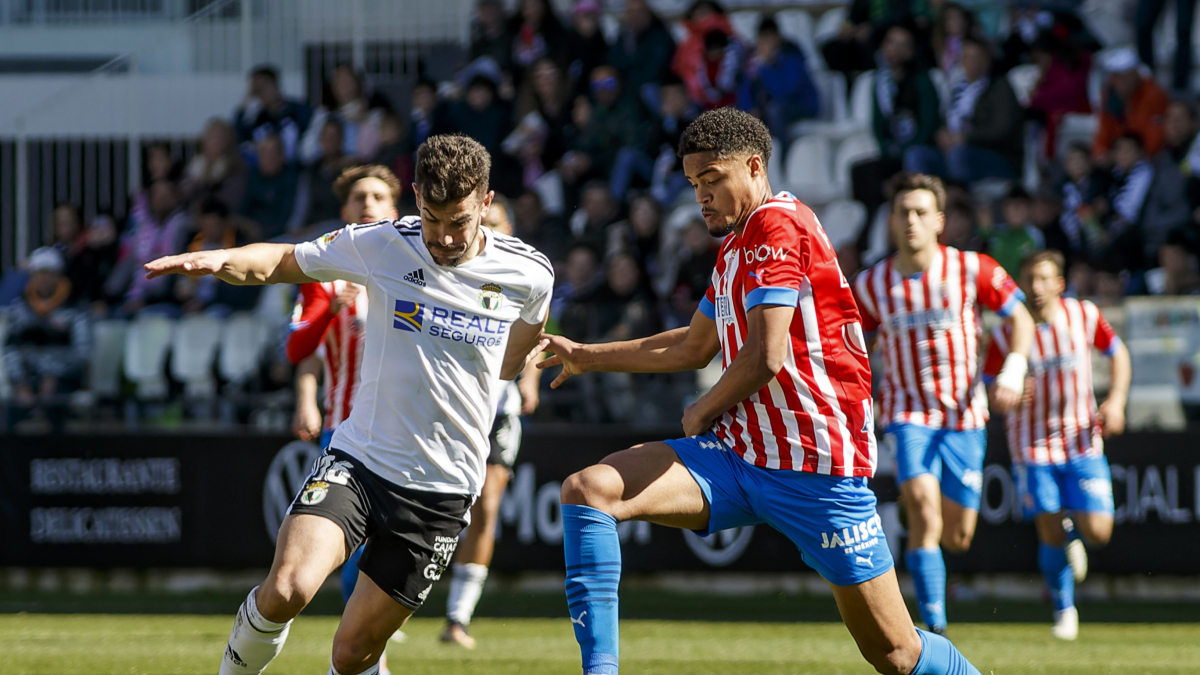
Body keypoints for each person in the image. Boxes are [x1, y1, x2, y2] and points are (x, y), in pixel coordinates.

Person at [540, 109, 984, 675]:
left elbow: (766, 354)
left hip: (818, 468)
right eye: (693, 184)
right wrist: (587, 355)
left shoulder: (779, 225)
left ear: (753, 167)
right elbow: (693, 346)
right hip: (740, 456)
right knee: (589, 489)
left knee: (896, 654)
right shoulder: (735, 248)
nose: (701, 197)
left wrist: (703, 407)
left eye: (712, 180)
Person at [144, 133, 554, 675]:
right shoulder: (383, 243)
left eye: (459, 221)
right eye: (432, 219)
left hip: (442, 491)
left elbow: (515, 356)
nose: (445, 237)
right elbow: (284, 260)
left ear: (485, 201)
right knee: (288, 587)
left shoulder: (529, 273)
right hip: (359, 462)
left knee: (353, 654)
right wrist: (221, 258)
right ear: (415, 197)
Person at [852, 172, 1034, 636]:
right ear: (891, 221)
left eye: (919, 212)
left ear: (939, 220)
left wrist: (1013, 370)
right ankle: (934, 624)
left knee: (957, 534)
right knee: (922, 508)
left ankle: (937, 598)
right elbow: (851, 345)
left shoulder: (973, 269)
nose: (910, 221)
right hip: (907, 412)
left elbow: (1021, 318)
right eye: (901, 213)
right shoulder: (871, 284)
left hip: (964, 414)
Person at [286, 164, 402, 673]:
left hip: (406, 431)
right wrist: (306, 398)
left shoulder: (416, 268)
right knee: (353, 546)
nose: (369, 204)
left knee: (397, 546)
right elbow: (298, 347)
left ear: (397, 209)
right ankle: (363, 656)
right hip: (346, 431)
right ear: (344, 211)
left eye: (379, 196)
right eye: (359, 197)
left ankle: (365, 645)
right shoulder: (325, 273)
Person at [982, 250, 1129, 641]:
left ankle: (1075, 535)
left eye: (1045, 278)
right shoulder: (1006, 331)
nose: (1036, 287)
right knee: (1048, 526)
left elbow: (1119, 354)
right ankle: (1065, 610)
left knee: (1099, 532)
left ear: (1060, 284)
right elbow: (986, 382)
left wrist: (1115, 400)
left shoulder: (1083, 315)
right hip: (1031, 444)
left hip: (1081, 439)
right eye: (1029, 278)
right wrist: (1006, 388)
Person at [440, 195, 544, 648]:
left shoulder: (525, 276)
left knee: (486, 508)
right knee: (433, 507)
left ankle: (457, 618)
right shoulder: (451, 270)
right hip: (446, 407)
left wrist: (530, 383)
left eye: (499, 225)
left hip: (498, 412)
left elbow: (538, 335)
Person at [1093, 47, 1169, 161]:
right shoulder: (1110, 95)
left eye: (1123, 75)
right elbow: (1104, 130)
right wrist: (1101, 153)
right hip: (1119, 156)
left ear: (1135, 74)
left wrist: (1132, 156)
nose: (1118, 81)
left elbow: (1155, 138)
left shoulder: (1153, 94)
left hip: (1146, 159)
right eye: (1115, 75)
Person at [234, 64, 313, 162]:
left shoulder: (298, 109)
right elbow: (238, 138)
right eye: (256, 90)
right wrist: (246, 101)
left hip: (295, 169)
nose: (260, 93)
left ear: (275, 85)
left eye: (263, 87)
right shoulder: (258, 118)